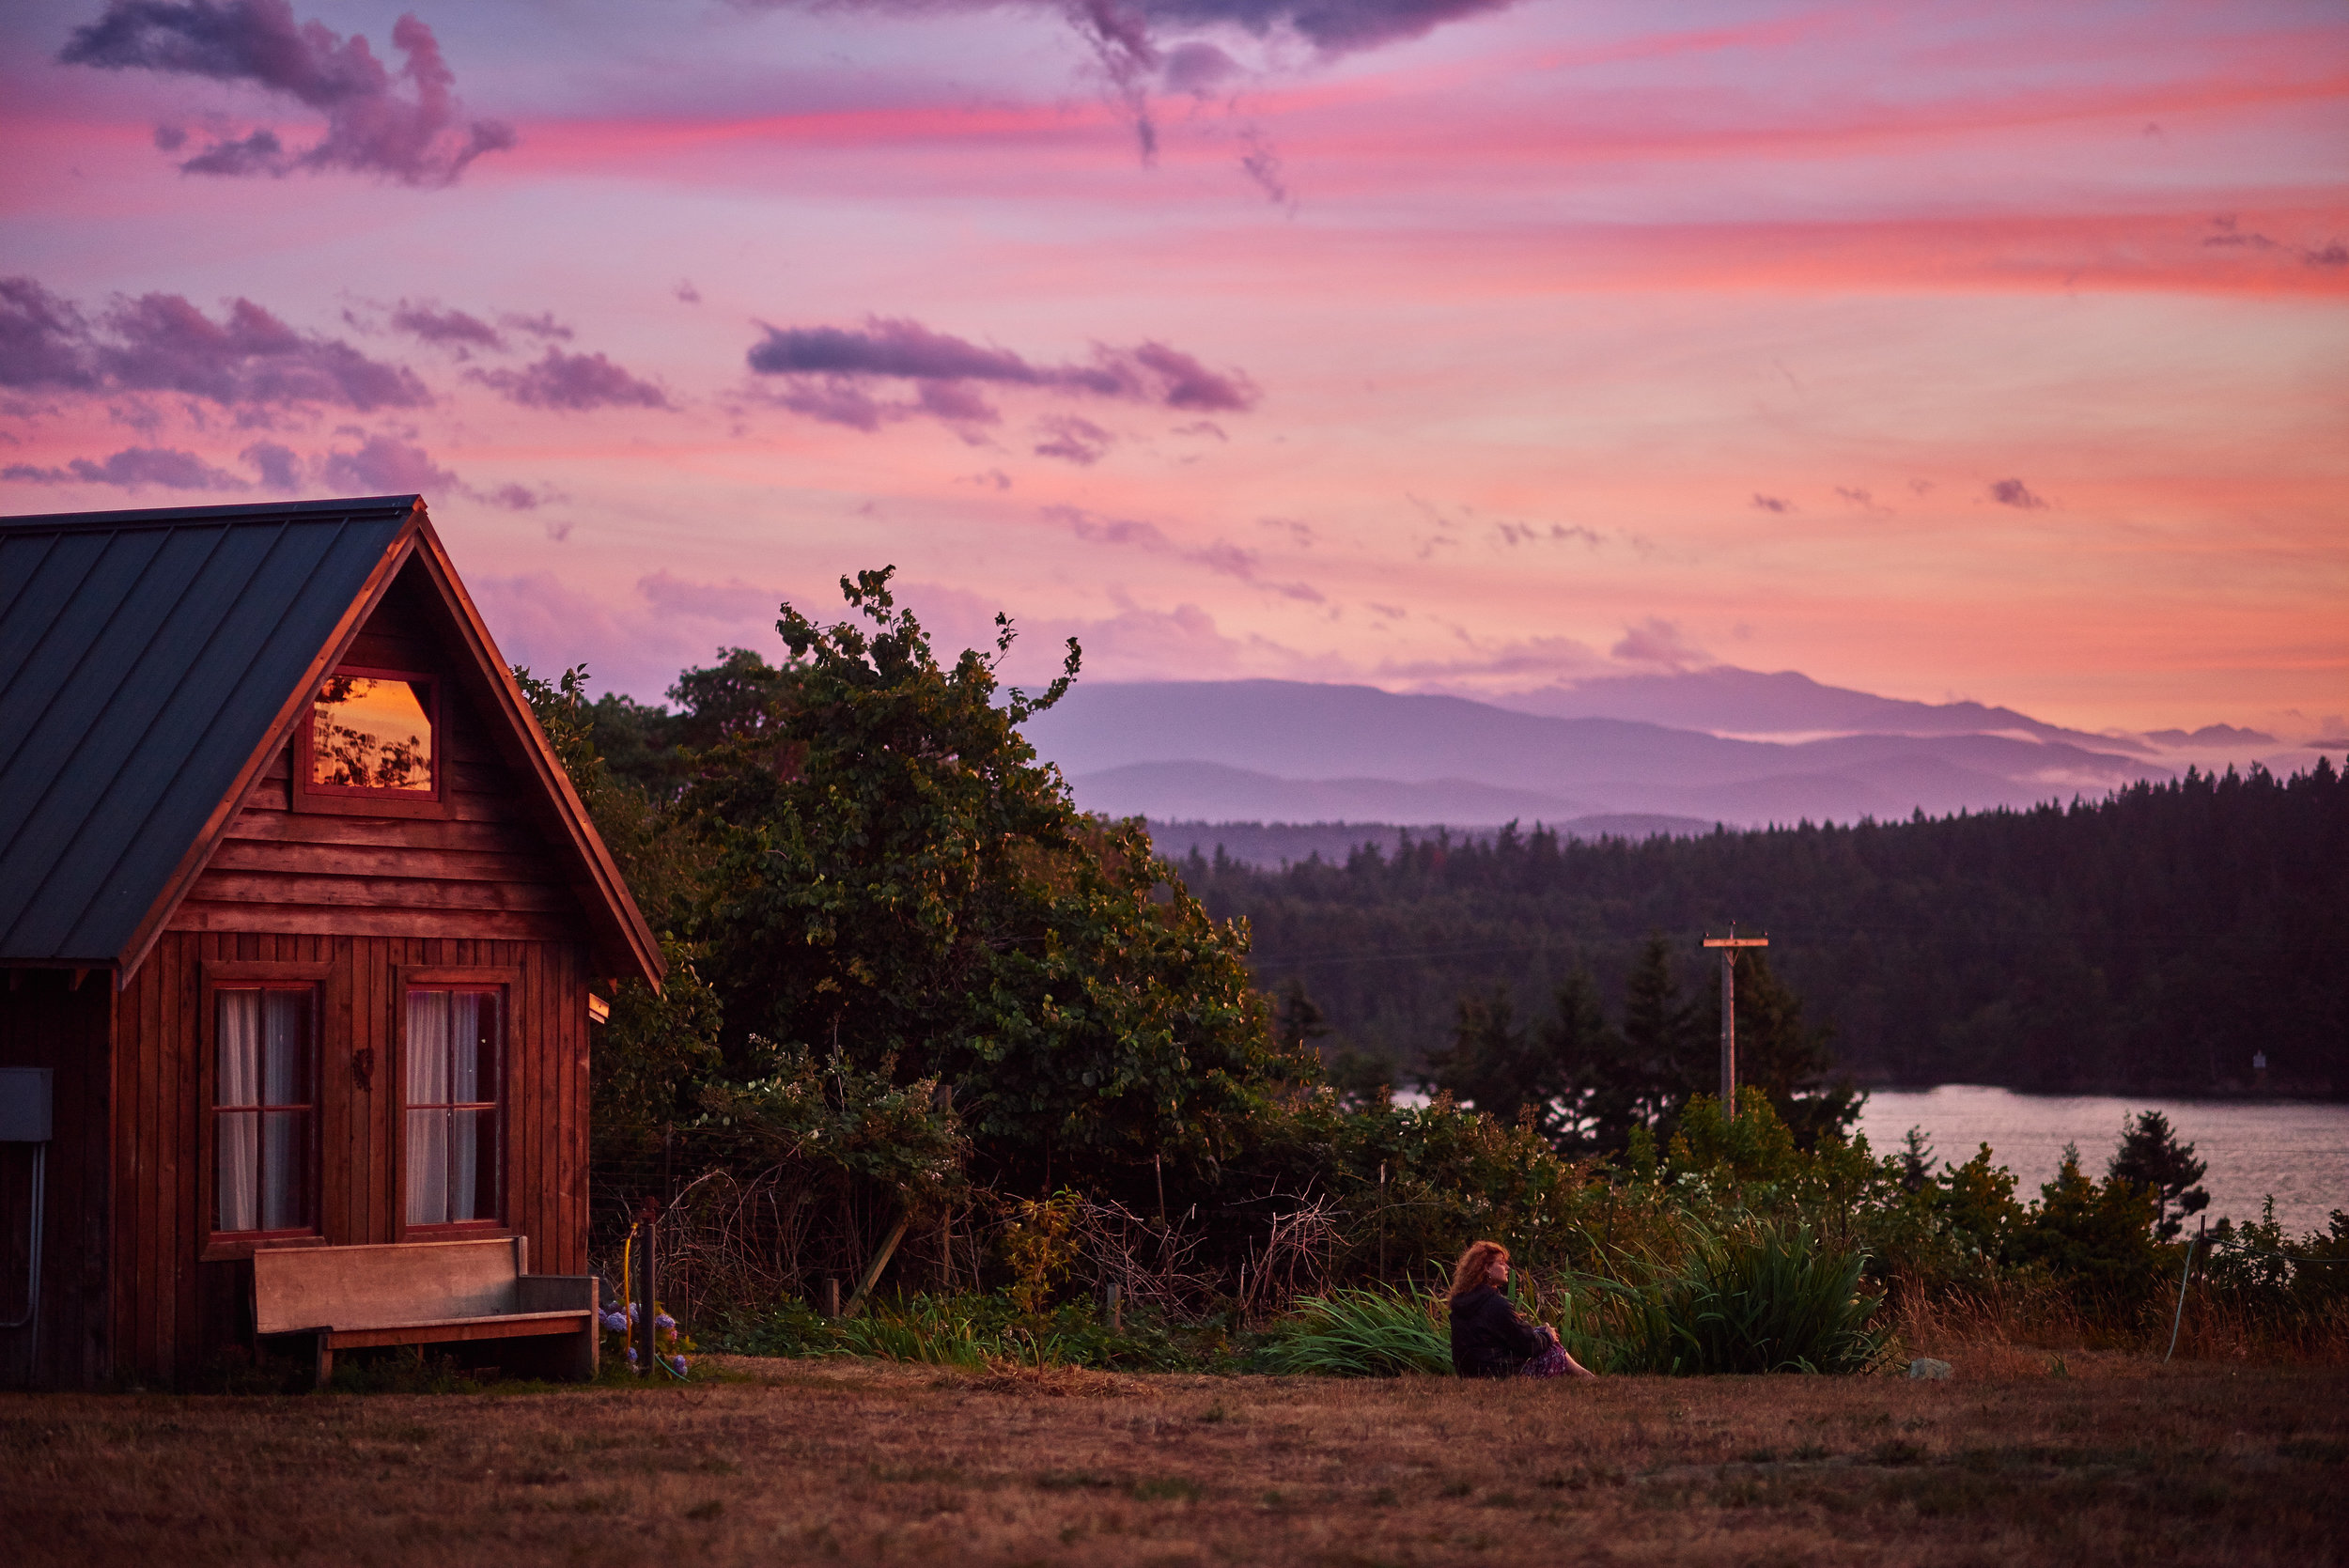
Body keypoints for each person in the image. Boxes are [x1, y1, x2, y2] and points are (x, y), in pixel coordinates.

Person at [1447, 1240, 1595, 1380]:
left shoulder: (1462, 1302)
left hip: (1470, 1373)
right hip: (1499, 1373)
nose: (1507, 1268)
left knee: (1540, 1332)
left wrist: (1543, 1333)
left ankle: (1586, 1376)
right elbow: (1527, 1345)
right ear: (1486, 1268)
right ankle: (1586, 1377)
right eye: (1501, 1263)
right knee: (1555, 1351)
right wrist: (1549, 1336)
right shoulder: (1496, 1304)